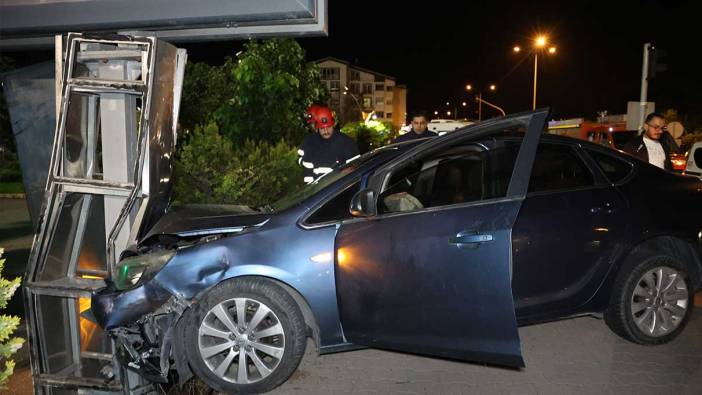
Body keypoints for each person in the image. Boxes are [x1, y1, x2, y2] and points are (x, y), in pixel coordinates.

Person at [298, 104, 359, 184]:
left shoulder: (345, 142)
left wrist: (341, 175)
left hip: (338, 189)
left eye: (328, 127)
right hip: (312, 190)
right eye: (322, 128)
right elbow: (300, 160)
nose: (326, 131)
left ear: (333, 124)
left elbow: (356, 165)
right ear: (317, 127)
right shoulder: (308, 142)